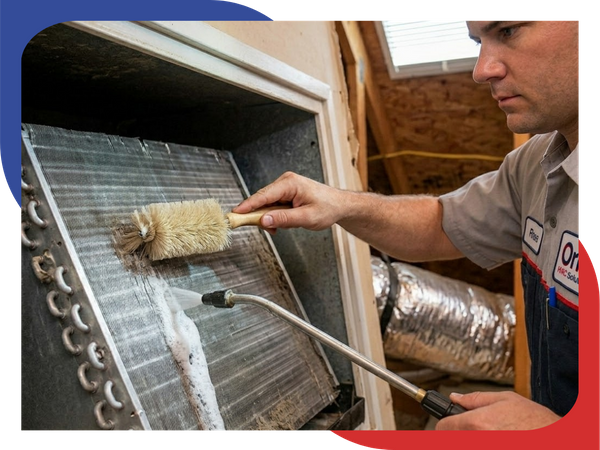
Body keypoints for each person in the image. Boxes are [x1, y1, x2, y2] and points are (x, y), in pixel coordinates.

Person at [232, 19, 580, 430]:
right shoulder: (534, 164)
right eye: (477, 41)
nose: (482, 69)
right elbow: (440, 224)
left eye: (507, 31)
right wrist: (340, 204)